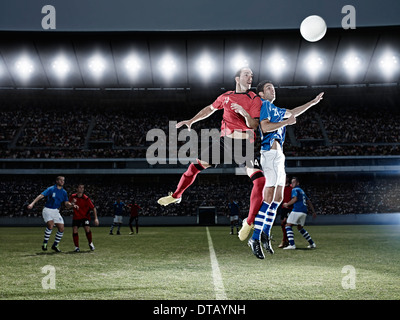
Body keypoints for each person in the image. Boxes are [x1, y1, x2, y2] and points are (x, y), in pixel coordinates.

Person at [157, 67, 266, 235]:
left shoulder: (254, 99)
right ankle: (177, 195)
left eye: (252, 75)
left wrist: (244, 113)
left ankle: (249, 222)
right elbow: (210, 109)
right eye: (246, 74)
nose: (250, 77)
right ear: (237, 78)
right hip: (224, 143)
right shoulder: (226, 97)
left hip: (245, 146)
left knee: (260, 181)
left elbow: (253, 124)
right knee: (194, 167)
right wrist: (192, 120)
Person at [247, 80, 323, 259]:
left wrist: (312, 102)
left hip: (279, 157)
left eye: (273, 87)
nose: (272, 89)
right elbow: (264, 127)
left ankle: (265, 234)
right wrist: (287, 122)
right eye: (268, 88)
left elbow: (294, 112)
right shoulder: (264, 105)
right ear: (261, 94)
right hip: (270, 154)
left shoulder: (278, 110)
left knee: (278, 199)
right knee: (268, 198)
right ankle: (255, 238)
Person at [27, 176, 78, 252]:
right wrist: (32, 203)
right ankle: (45, 243)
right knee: (51, 225)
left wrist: (72, 204)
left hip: (56, 211)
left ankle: (55, 245)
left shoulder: (64, 192)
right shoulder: (51, 189)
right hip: (47, 210)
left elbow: (66, 204)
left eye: (63, 180)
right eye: (60, 180)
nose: (62, 182)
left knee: (61, 228)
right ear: (57, 181)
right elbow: (41, 195)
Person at [282, 176, 317, 250]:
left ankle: (292, 245)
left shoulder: (295, 189)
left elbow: (295, 198)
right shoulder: (302, 191)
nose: (292, 183)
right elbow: (309, 202)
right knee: (300, 227)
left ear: (298, 183)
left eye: (294, 182)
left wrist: (287, 204)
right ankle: (312, 243)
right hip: (304, 211)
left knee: (287, 225)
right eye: (292, 182)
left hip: (297, 210)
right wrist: (313, 212)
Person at [69, 183, 99, 252]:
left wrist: (96, 218)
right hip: (76, 217)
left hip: (85, 216)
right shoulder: (73, 197)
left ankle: (90, 243)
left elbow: (93, 208)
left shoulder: (86, 198)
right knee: (75, 230)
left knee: (87, 229)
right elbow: (68, 206)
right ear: (77, 188)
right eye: (80, 187)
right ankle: (76, 247)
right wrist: (72, 204)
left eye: (82, 188)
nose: (81, 189)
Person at [278, 176, 293, 248]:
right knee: (282, 224)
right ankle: (287, 240)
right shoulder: (281, 187)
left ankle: (284, 241)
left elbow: (294, 198)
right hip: (283, 208)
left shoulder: (291, 187)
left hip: (290, 208)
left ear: (288, 179)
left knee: (286, 223)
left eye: (286, 178)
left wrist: (289, 204)